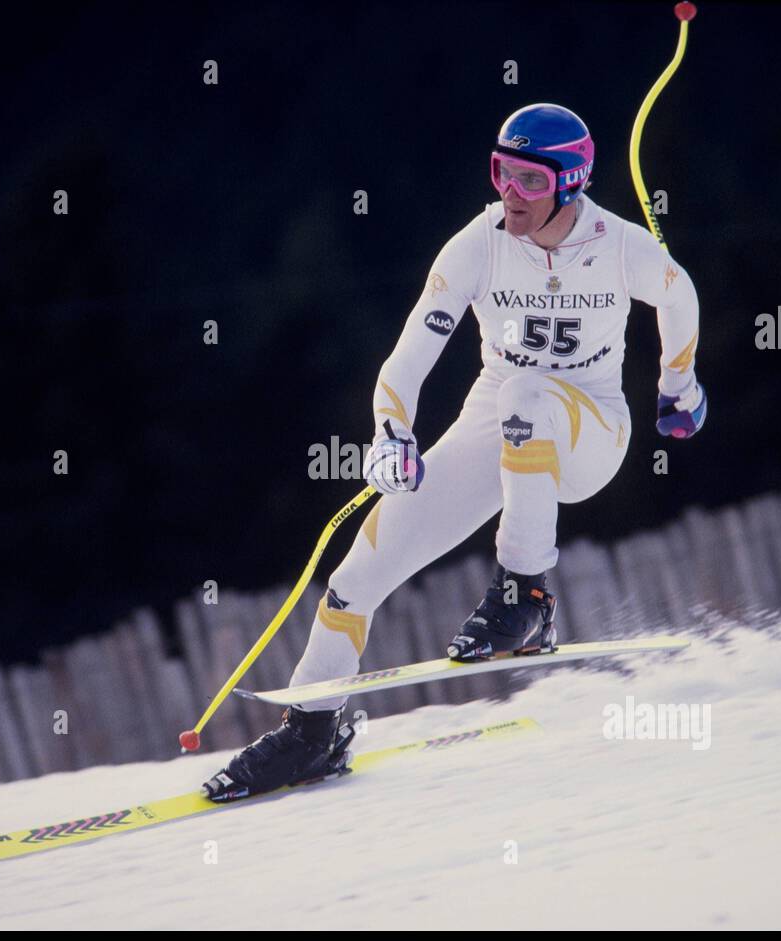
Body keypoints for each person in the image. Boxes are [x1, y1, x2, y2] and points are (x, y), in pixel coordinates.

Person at [203, 103, 706, 802]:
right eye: (502, 173)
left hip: (592, 428)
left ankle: (526, 594)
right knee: (359, 571)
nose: (511, 193)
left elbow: (679, 295)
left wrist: (676, 387)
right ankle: (312, 732)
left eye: (531, 180)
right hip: (498, 416)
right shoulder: (478, 244)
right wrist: (392, 433)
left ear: (571, 181)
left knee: (527, 393)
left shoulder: (617, 244)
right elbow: (408, 359)